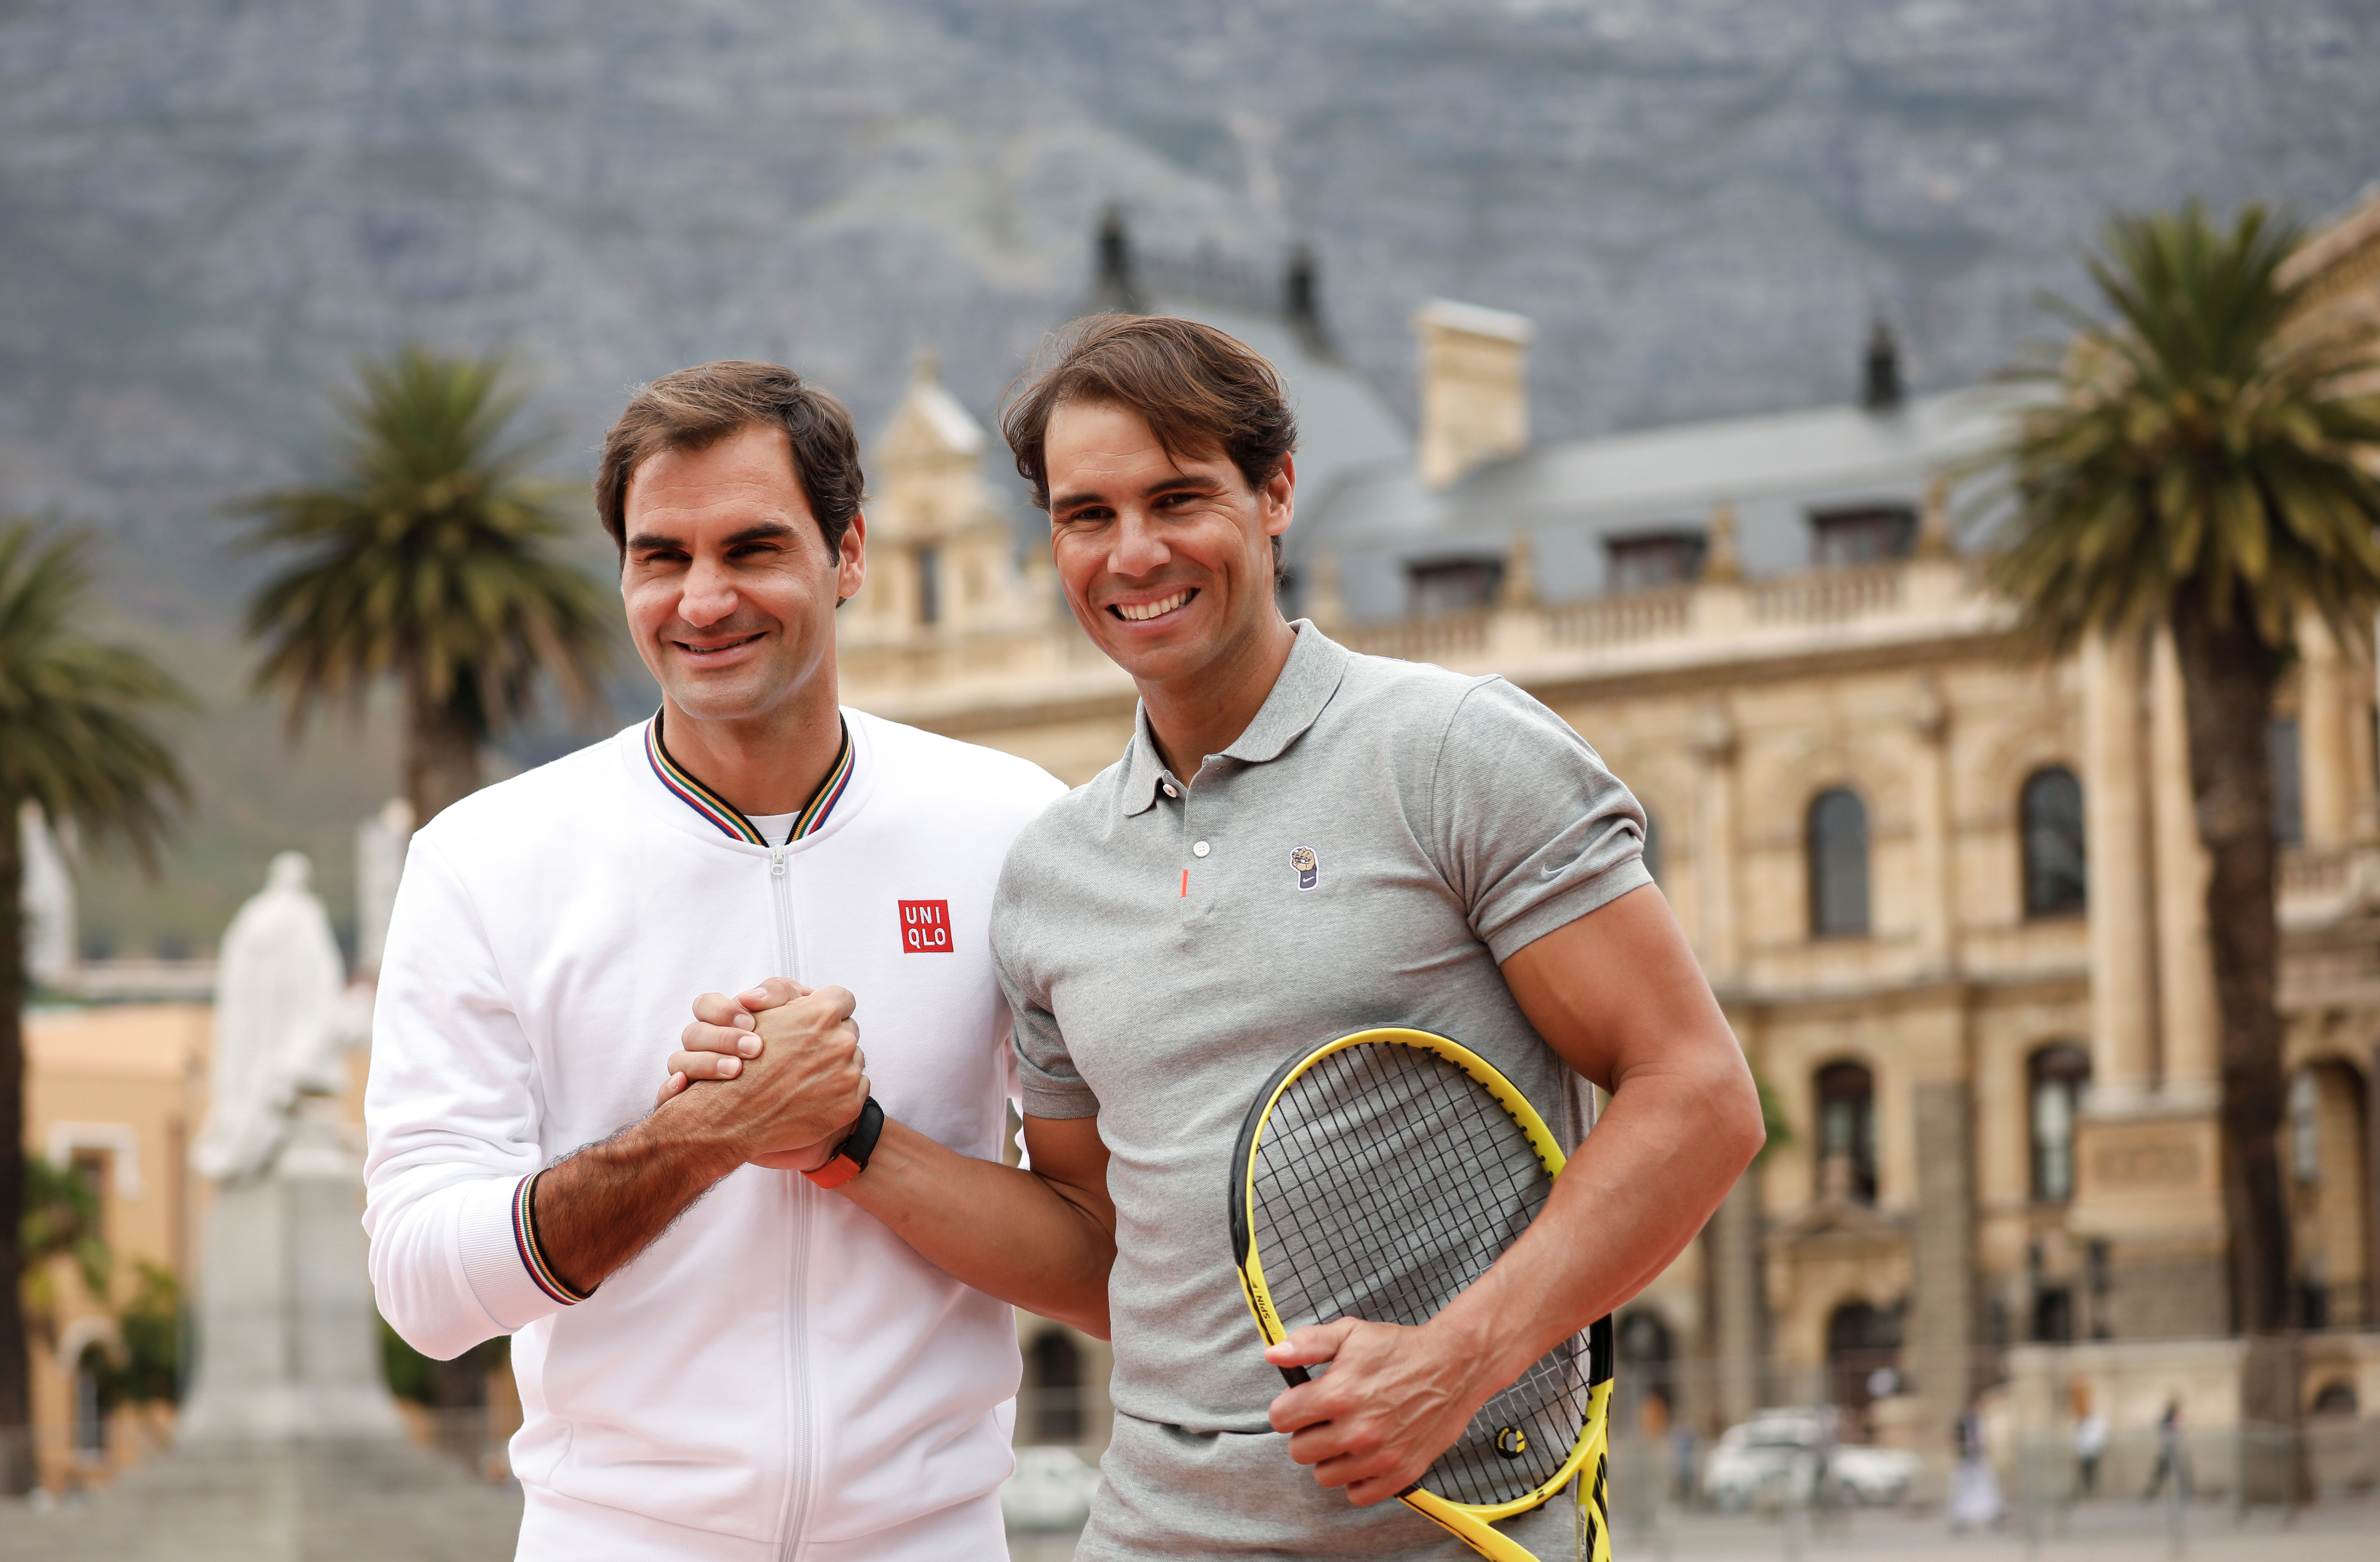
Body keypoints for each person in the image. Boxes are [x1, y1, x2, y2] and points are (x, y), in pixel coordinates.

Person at [666, 316, 1765, 1558]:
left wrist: (1458, 1360)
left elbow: (1700, 1096)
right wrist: (845, 1141)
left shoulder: (1456, 753)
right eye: (1087, 516)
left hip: (1459, 1531)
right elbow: (1102, 1253)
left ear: (1276, 493)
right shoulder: (1051, 876)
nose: (1134, 555)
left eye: (1177, 499)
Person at [362, 361, 1066, 1561]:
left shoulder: (1013, 826)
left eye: (751, 548)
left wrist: (853, 1141)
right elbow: (424, 1290)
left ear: (849, 557)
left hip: (935, 1538)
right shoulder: (485, 858)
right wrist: (709, 1132)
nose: (701, 600)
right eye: (660, 557)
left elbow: (1098, 1259)